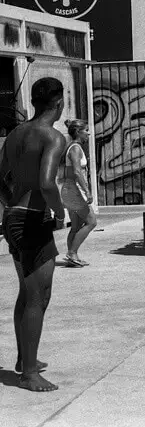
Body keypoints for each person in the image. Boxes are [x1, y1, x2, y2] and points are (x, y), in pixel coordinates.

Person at [0, 77, 68, 391]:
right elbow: (46, 183)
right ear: (59, 101)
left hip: (13, 217)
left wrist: (10, 205)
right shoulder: (53, 137)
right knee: (39, 297)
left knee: (27, 294)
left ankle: (24, 359)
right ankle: (29, 372)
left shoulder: (15, 134)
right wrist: (59, 211)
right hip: (33, 219)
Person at [59, 119, 97, 267]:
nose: (88, 133)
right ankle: (72, 253)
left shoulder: (74, 147)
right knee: (91, 222)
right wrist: (87, 191)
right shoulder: (75, 148)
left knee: (76, 226)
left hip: (70, 188)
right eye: (86, 130)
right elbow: (76, 171)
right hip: (74, 190)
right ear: (78, 132)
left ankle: (72, 256)